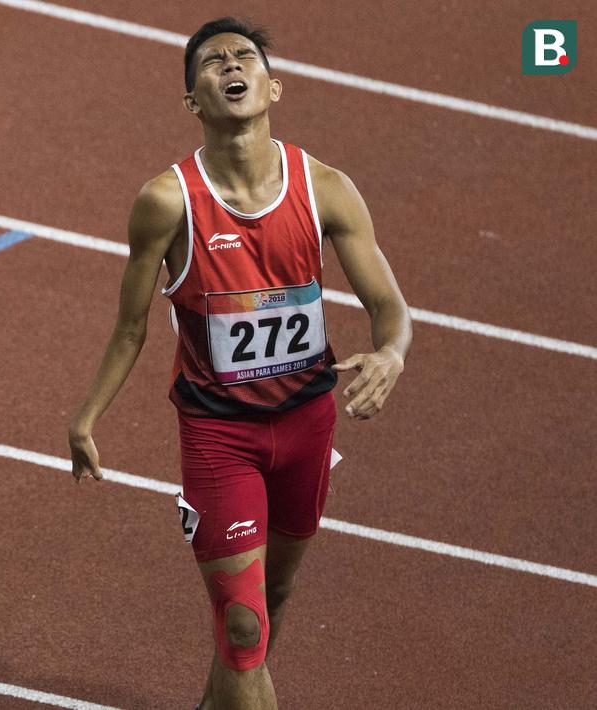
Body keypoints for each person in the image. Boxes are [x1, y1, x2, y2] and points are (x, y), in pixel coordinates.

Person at [67, 18, 412, 710]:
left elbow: (389, 306)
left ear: (272, 87)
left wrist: (390, 352)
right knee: (242, 622)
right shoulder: (166, 201)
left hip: (308, 425)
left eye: (244, 56)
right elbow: (131, 327)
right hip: (219, 436)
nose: (230, 64)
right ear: (191, 100)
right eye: (212, 61)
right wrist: (87, 418)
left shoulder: (325, 188)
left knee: (272, 597)